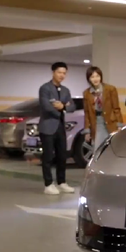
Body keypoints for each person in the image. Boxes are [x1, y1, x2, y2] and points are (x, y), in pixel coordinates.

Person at [38, 62, 76, 195]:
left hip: (60, 126)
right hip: (47, 126)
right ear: (53, 72)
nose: (62, 75)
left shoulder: (65, 90)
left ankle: (62, 182)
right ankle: (48, 184)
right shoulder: (45, 88)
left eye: (64, 73)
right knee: (48, 156)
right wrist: (62, 109)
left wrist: (63, 106)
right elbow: (46, 106)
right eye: (59, 72)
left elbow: (72, 106)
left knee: (62, 156)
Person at [81, 66, 123, 151]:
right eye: (92, 77)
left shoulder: (110, 89)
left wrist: (119, 125)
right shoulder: (86, 93)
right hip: (96, 123)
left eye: (97, 76)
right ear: (89, 79)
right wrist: (87, 131)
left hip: (111, 122)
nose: (95, 79)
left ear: (101, 77)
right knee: (98, 149)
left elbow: (116, 108)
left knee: (112, 149)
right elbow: (87, 113)